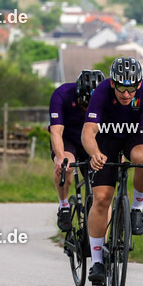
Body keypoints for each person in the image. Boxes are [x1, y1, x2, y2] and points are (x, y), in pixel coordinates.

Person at [81, 56, 143, 286]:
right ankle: (97, 261)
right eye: (120, 88)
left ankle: (137, 208)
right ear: (112, 83)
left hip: (135, 133)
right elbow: (88, 132)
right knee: (101, 199)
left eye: (130, 89)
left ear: (139, 84)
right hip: (107, 137)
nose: (126, 94)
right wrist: (94, 153)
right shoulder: (101, 91)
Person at [49, 69, 104, 232]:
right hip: (68, 139)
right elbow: (56, 131)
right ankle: (64, 206)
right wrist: (60, 158)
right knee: (67, 165)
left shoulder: (109, 98)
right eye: (84, 105)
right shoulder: (62, 94)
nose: (87, 111)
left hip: (94, 139)